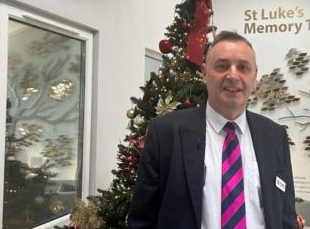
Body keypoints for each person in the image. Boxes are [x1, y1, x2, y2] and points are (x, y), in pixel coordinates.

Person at [127, 31, 298, 229]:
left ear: (255, 75)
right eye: (222, 66)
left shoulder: (275, 136)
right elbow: (141, 219)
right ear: (205, 72)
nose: (233, 75)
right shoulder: (166, 132)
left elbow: (285, 216)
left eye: (243, 67)